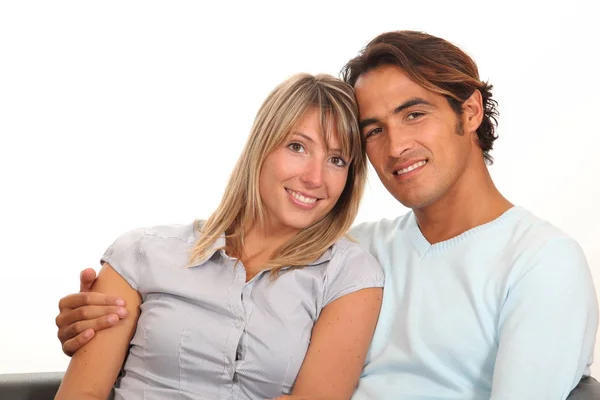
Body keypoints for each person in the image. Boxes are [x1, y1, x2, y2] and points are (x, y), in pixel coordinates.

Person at [55, 31, 599, 399]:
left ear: (470, 110)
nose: (396, 145)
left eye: (415, 114)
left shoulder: (541, 263)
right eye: (375, 130)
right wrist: (101, 317)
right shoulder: (355, 251)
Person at [54, 73, 384, 400]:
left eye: (336, 160)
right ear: (261, 147)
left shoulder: (349, 275)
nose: (315, 178)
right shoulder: (140, 254)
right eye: (297, 147)